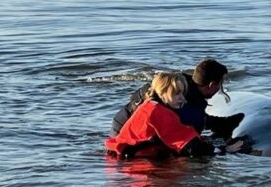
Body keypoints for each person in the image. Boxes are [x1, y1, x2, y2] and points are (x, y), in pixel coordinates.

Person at [104, 71, 250, 159]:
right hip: (130, 161)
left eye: (183, 93)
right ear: (163, 93)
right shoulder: (159, 112)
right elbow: (190, 147)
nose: (183, 98)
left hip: (123, 155)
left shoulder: (151, 106)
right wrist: (226, 150)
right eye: (177, 93)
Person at [110, 58, 243, 139]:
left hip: (122, 121)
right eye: (220, 85)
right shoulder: (189, 103)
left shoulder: (177, 81)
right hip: (129, 134)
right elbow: (189, 137)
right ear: (211, 84)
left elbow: (135, 95)